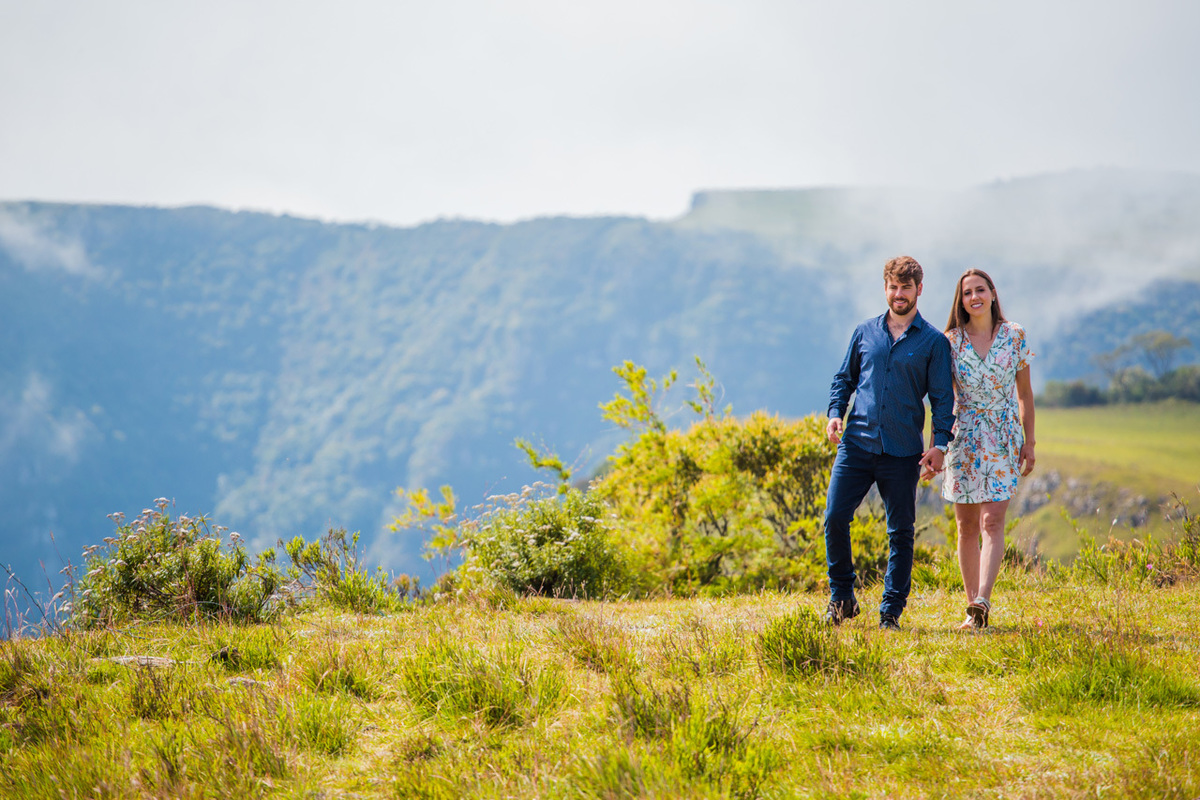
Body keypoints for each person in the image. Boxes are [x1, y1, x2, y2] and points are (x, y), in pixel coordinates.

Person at [824, 256, 955, 630]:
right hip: (856, 444)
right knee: (834, 518)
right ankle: (842, 598)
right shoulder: (864, 332)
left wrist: (939, 445)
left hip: (902, 452)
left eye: (906, 287)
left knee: (900, 532)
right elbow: (843, 379)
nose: (899, 294)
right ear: (885, 288)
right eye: (894, 287)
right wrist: (836, 412)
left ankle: (890, 614)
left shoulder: (932, 342)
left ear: (919, 290)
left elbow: (942, 400)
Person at [939, 269, 1036, 629]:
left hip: (1003, 436)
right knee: (965, 527)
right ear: (960, 300)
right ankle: (972, 610)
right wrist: (936, 444)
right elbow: (941, 398)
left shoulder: (1014, 336)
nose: (974, 297)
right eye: (967, 292)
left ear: (993, 294)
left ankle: (983, 599)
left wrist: (1030, 442)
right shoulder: (949, 342)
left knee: (992, 521)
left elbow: (1024, 393)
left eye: (981, 289)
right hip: (963, 437)